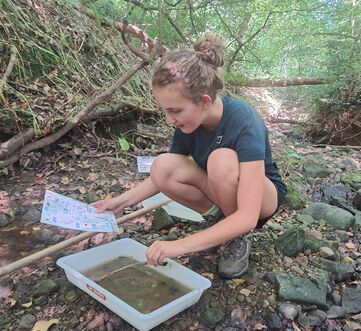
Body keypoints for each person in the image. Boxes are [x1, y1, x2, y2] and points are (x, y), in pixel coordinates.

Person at [93, 33, 286, 278]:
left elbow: (249, 215)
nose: (169, 119)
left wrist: (179, 246)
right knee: (162, 166)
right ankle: (220, 225)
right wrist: (120, 202)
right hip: (223, 191)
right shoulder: (188, 123)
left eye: (175, 110)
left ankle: (237, 236)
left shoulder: (244, 121)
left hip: (261, 199)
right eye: (165, 110)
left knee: (221, 159)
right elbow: (164, 176)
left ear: (204, 101)